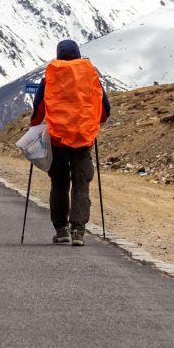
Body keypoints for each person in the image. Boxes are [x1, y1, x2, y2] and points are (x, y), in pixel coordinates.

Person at [29, 39, 110, 246]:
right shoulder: (89, 73)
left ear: (58, 55)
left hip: (57, 139)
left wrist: (35, 125)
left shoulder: (51, 74)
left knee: (59, 183)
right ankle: (79, 231)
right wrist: (92, 124)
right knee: (81, 184)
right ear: (78, 54)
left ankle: (62, 229)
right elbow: (104, 108)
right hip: (83, 139)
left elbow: (39, 106)